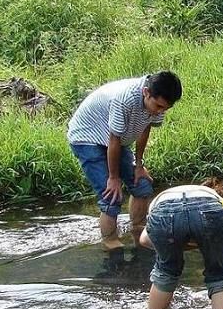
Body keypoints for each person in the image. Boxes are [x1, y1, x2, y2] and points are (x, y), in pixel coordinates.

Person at [67, 71, 182, 249]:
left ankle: (138, 230)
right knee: (111, 196)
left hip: (115, 139)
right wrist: (113, 178)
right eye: (158, 106)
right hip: (87, 138)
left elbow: (145, 129)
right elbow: (113, 139)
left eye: (164, 109)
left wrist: (139, 164)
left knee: (142, 186)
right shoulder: (125, 100)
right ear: (146, 92)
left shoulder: (159, 101)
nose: (160, 111)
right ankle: (111, 243)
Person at [139, 178, 223, 309]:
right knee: (219, 276)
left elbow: (144, 240)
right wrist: (202, 245)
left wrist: (176, 247)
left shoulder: (167, 196)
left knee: (165, 272)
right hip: (208, 211)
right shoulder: (221, 209)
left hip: (164, 212)